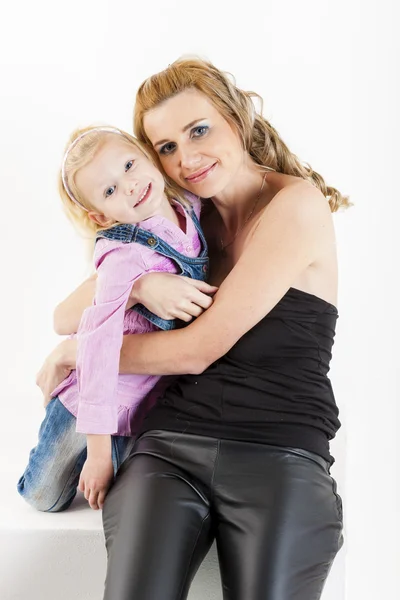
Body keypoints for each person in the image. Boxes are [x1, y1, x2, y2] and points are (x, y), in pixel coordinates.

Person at [37, 57, 349, 599]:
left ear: (238, 117)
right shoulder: (181, 222)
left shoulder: (295, 205)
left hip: (280, 452)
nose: (188, 159)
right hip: (169, 448)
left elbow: (197, 350)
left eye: (198, 130)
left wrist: (84, 354)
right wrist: (138, 286)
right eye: (166, 148)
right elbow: (66, 314)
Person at [18, 125, 215, 513]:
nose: (129, 185)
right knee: (45, 497)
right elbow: (96, 350)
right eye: (109, 191)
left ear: (145, 155)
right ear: (101, 216)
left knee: (125, 497)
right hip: (90, 405)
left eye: (129, 165)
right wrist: (97, 453)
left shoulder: (190, 208)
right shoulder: (122, 258)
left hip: (145, 407)